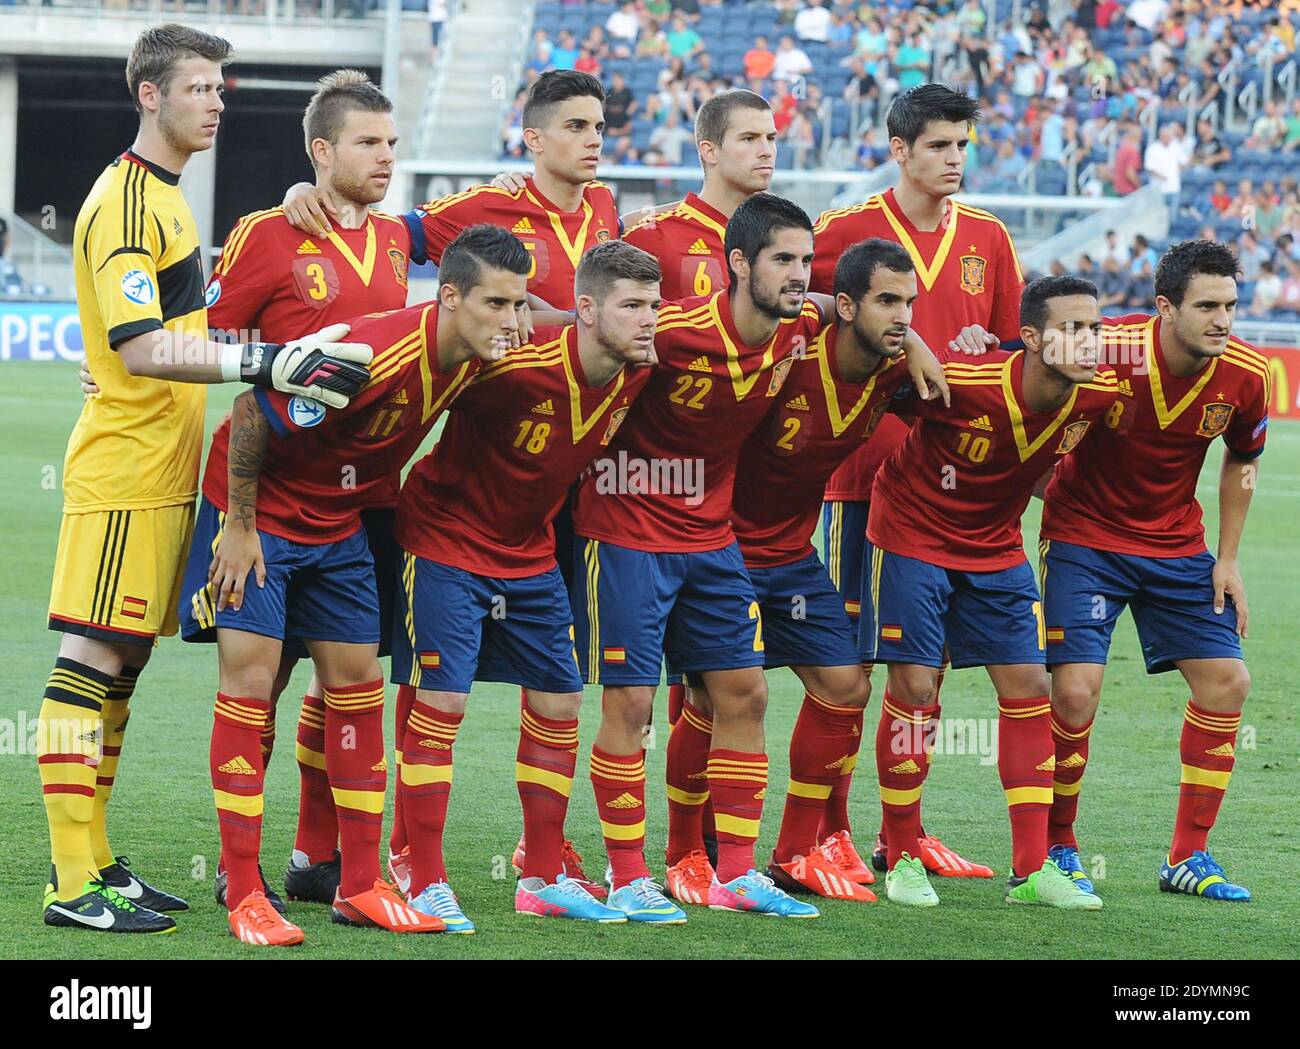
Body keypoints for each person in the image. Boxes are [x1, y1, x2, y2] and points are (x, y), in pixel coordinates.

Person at [39, 24, 370, 936]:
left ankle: (100, 861)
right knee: (89, 659)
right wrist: (273, 361)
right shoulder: (124, 201)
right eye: (199, 87)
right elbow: (143, 347)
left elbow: (162, 331)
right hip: (122, 471)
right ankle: (72, 879)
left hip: (160, 468)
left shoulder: (168, 200)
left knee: (125, 666)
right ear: (150, 94)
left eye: (222, 87)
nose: (217, 101)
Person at [284, 70, 619, 899]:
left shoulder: (608, 211)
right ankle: (333, 844)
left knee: (560, 681)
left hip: (561, 488)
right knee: (367, 669)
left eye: (600, 123)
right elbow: (378, 222)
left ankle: (548, 856)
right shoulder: (484, 211)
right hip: (461, 481)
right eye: (576, 124)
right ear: (533, 138)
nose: (594, 137)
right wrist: (307, 188)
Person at [187, 225, 531, 945]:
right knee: (249, 689)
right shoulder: (369, 355)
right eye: (497, 304)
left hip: (339, 523)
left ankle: (358, 884)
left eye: (518, 303)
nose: (512, 321)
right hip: (260, 516)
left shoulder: (473, 353)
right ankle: (244, 889)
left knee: (357, 690)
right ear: (449, 297)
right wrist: (241, 527)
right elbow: (250, 413)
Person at [569, 194, 840, 919]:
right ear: (738, 264)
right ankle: (629, 876)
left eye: (806, 260)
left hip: (712, 539)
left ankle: (738, 874)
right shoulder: (671, 331)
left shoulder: (798, 327)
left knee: (744, 693)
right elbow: (580, 351)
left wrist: (918, 345)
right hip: (625, 531)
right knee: (631, 701)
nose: (798, 275)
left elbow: (849, 313)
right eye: (783, 259)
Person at [187, 70, 414, 913]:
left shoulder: (396, 240)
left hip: (351, 507)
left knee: (347, 683)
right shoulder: (266, 234)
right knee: (264, 681)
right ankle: (234, 867)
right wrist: (113, 377)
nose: (386, 156)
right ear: (322, 151)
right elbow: (196, 344)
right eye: (367, 142)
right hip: (258, 498)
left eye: (391, 142)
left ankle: (323, 863)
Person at [393, 242, 662, 929]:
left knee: (561, 700)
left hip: (530, 552)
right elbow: (421, 368)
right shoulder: (510, 365)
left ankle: (541, 875)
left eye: (654, 306)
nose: (649, 320)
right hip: (446, 538)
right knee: (443, 699)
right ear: (587, 311)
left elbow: (752, 313)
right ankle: (421, 876)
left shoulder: (637, 368)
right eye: (632, 306)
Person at [813, 84, 1025, 881]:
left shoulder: (990, 238)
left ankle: (903, 829)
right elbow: (808, 320)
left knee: (924, 675)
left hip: (959, 491)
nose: (955, 159)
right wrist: (907, 354)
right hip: (863, 479)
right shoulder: (844, 232)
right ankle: (827, 828)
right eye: (940, 145)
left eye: (964, 145)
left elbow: (1015, 349)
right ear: (899, 150)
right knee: (848, 671)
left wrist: (987, 346)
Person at [863, 275, 1116, 910]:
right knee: (916, 689)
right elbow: (869, 375)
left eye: (1095, 328)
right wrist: (917, 343)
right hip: (912, 535)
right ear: (1029, 338)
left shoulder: (1096, 395)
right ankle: (900, 857)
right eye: (1073, 329)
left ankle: (1033, 871)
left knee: (1030, 686)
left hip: (996, 546)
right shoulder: (965, 381)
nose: (1089, 342)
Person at [1041, 241, 1269, 903]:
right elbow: (1038, 411)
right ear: (1165, 307)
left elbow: (1242, 460)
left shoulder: (1247, 375)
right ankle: (1060, 845)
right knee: (1076, 691)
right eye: (1206, 306)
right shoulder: (1105, 353)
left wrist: (1227, 558)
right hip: (1085, 538)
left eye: (1230, 305)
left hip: (1176, 546)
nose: (1222, 319)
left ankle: (1188, 856)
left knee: (1228, 682)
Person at [731, 239, 927, 903]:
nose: (903, 316)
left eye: (909, 302)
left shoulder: (893, 371)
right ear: (844, 305)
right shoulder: (789, 347)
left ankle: (792, 851)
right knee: (714, 699)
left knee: (846, 686)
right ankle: (692, 855)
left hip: (789, 552)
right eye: (887, 301)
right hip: (717, 544)